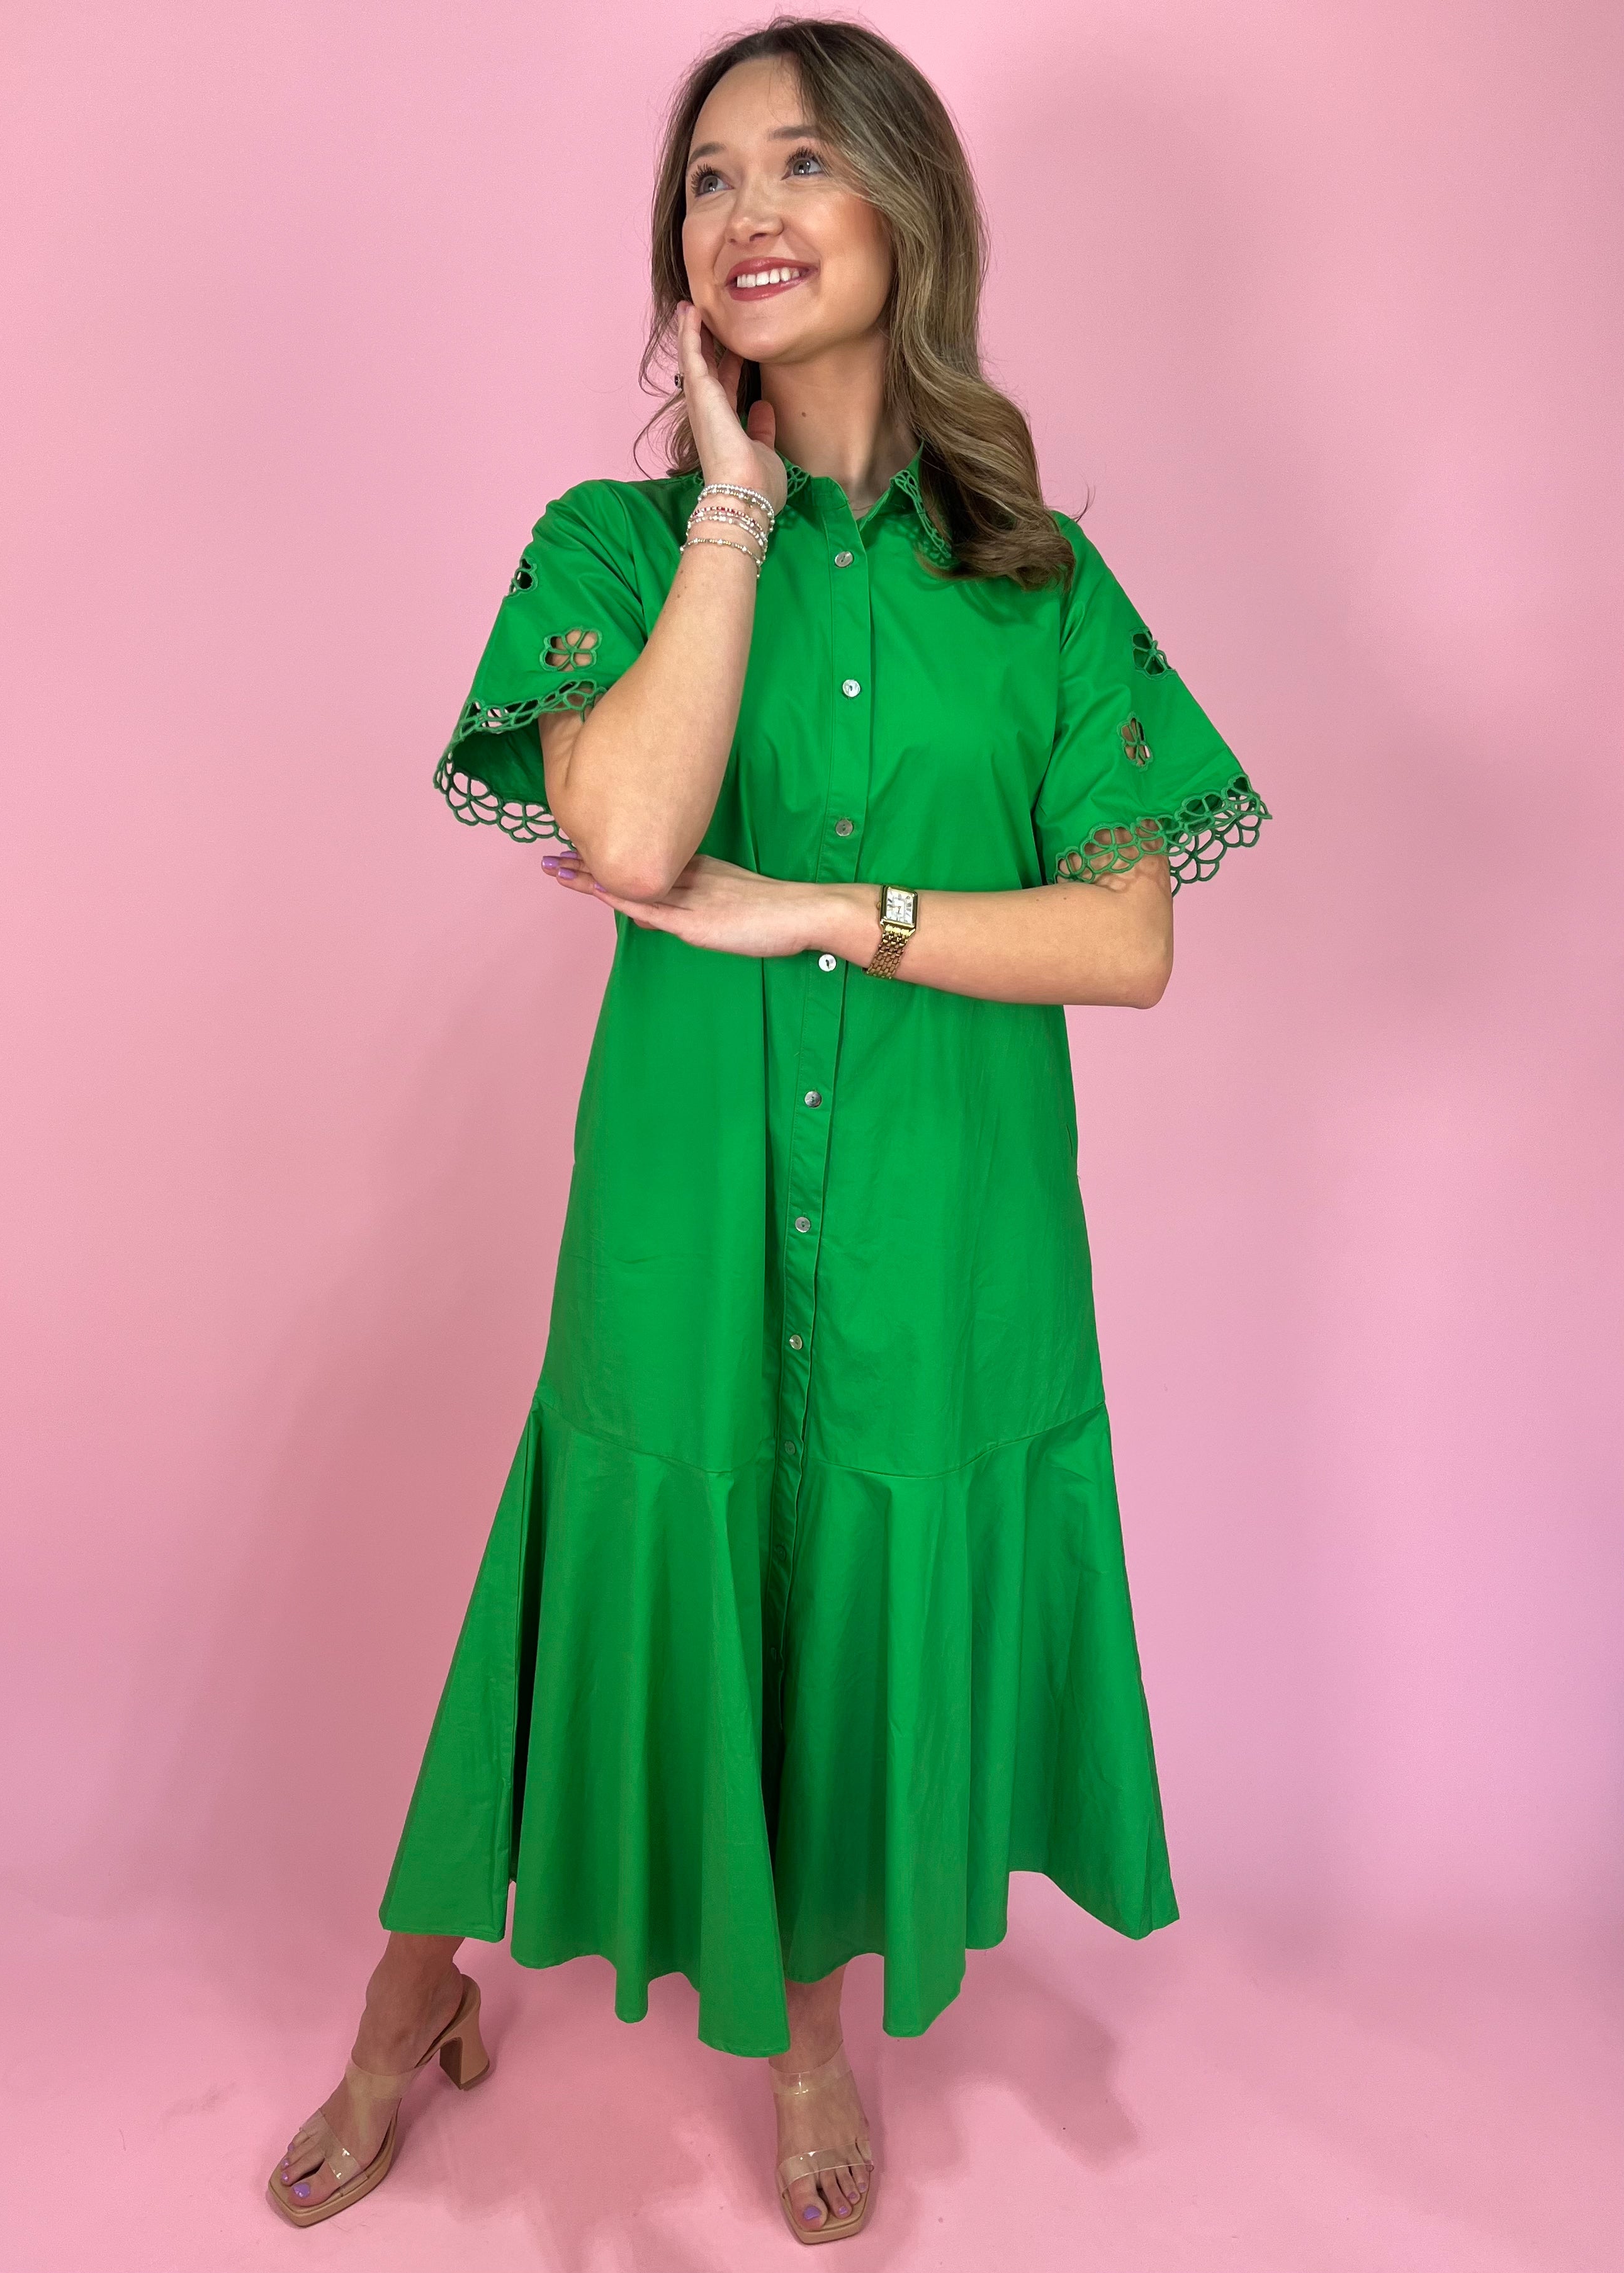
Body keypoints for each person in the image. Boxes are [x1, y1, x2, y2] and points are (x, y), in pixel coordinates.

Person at [269, 14, 1268, 2245]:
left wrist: (828, 908)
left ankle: (813, 2036)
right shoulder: (613, 546)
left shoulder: (1037, 584)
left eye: (802, 163)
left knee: (836, 1602)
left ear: (908, 211)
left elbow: (1126, 940)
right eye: (709, 179)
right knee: (611, 1556)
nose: (746, 213)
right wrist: (731, 502)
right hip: (682, 1210)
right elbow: (631, 835)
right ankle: (408, 1998)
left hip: (944, 1218)